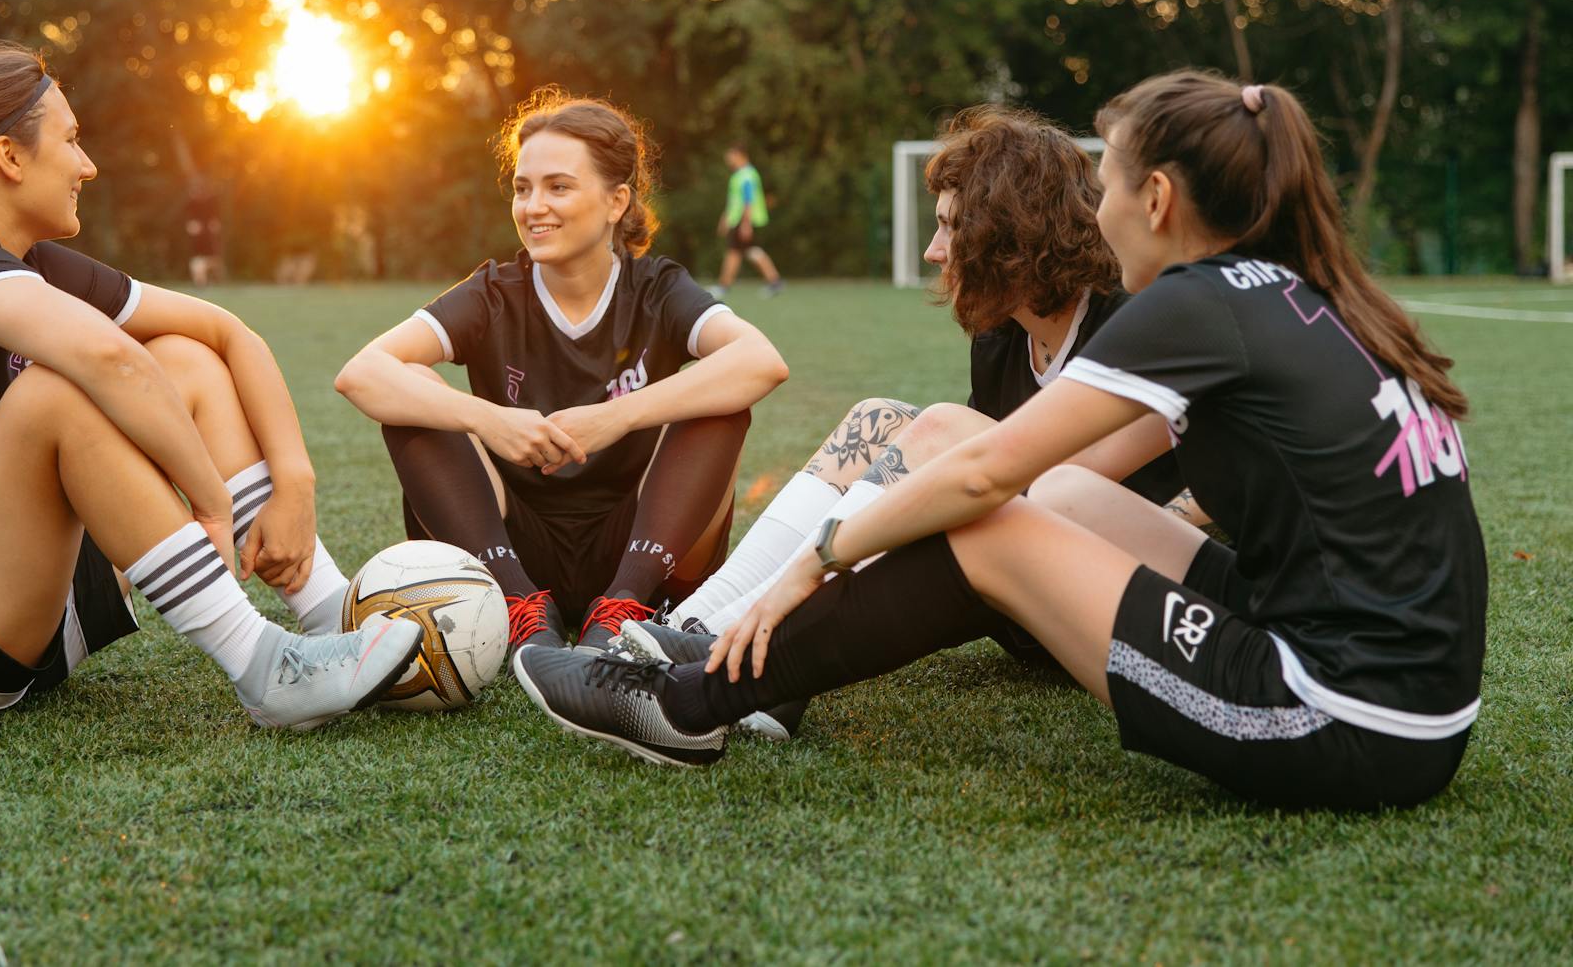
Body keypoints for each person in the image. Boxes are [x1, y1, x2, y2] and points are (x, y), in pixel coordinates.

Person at [517, 72, 1486, 815]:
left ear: (1154, 200)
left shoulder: (1193, 304)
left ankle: (692, 703)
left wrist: (812, 563)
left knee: (985, 517)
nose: (1092, 210)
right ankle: (718, 657)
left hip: (1349, 717)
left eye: (1102, 181)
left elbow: (983, 469)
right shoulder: (1287, 289)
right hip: (1378, 675)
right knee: (1034, 505)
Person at [0, 40, 423, 727]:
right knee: (60, 389)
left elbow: (228, 333)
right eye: (70, 140)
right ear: (9, 156)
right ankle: (265, 668)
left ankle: (333, 611)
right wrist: (212, 507)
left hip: (22, 604)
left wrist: (296, 483)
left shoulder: (25, 261)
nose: (87, 165)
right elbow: (108, 360)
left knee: (182, 354)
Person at [623, 105, 1192, 740]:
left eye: (952, 228)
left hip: (1089, 598)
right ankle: (698, 625)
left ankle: (749, 641)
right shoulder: (1002, 337)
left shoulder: (1131, 324)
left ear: (1012, 236)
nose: (932, 250)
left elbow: (1075, 487)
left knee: (943, 430)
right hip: (1010, 587)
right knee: (879, 418)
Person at [334, 89, 790, 653]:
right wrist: (491, 419)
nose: (533, 206)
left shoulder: (657, 289)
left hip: (642, 546)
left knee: (721, 396)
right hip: (510, 547)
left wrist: (617, 417)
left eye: (559, 187)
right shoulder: (493, 293)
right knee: (411, 391)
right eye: (523, 189)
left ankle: (624, 607)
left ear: (616, 201)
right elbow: (362, 373)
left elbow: (761, 361)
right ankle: (521, 606)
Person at [714, 145, 782, 299]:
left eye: (731, 155)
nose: (728, 159)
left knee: (735, 252)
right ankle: (775, 282)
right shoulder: (740, 175)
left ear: (740, 155)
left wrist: (746, 224)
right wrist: (725, 218)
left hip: (745, 221)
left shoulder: (746, 175)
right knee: (749, 252)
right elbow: (734, 201)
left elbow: (748, 200)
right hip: (741, 220)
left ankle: (723, 286)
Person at [183, 176, 226, 287]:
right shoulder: (191, 202)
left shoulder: (211, 200)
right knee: (198, 259)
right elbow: (189, 219)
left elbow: (215, 219)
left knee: (212, 258)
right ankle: (200, 282)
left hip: (208, 234)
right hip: (198, 235)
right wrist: (191, 224)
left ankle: (215, 279)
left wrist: (214, 224)